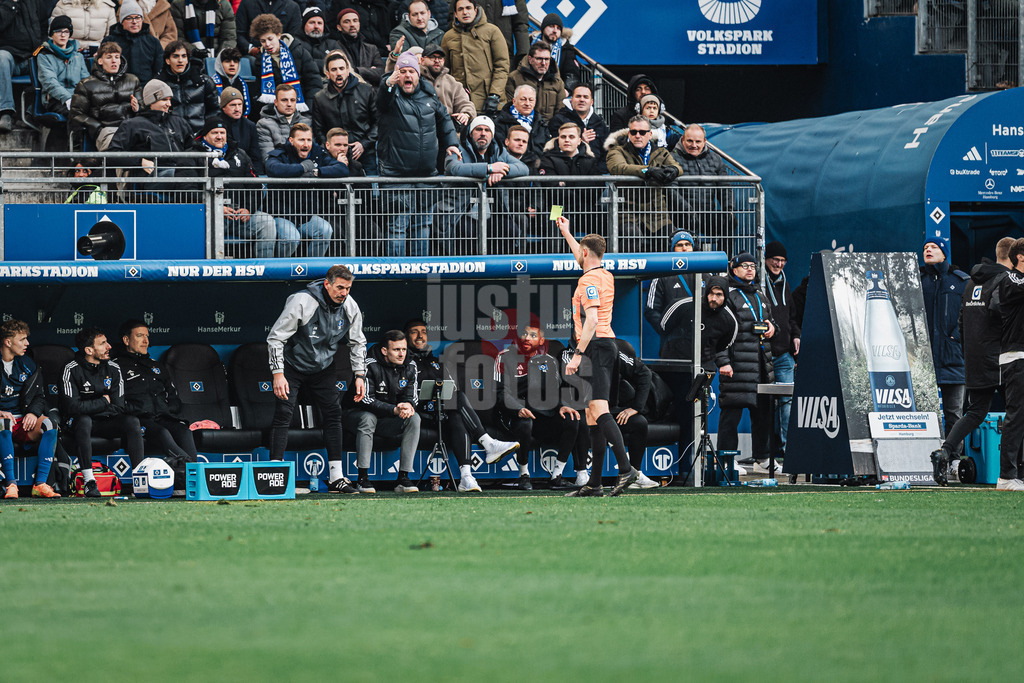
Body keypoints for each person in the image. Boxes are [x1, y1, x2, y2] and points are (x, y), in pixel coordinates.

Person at [557, 215, 639, 497]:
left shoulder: (588, 281)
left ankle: (626, 469)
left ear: (585, 253)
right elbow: (582, 256)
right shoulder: (604, 274)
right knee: (592, 415)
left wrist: (577, 354)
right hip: (605, 345)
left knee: (599, 411)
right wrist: (567, 233)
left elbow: (591, 320)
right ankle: (594, 484)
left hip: (596, 347)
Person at [267, 264, 367, 494]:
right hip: (292, 364)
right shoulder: (302, 301)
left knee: (333, 414)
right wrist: (278, 373)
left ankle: (336, 477)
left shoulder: (350, 306)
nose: (344, 293)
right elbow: (275, 338)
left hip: (323, 366)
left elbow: (358, 342)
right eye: (340, 287)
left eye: (348, 288)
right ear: (327, 284)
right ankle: (274, 474)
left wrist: (360, 375)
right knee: (284, 413)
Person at [932, 237, 1013, 485]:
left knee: (976, 412)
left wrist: (969, 353)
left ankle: (944, 451)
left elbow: (961, 321)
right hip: (1000, 358)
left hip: (974, 358)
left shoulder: (971, 283)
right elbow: (1003, 315)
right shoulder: (1005, 281)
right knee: (1016, 413)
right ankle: (1013, 472)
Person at [403, 319, 518, 492]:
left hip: (440, 411)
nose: (420, 336)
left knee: (456, 414)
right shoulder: (404, 361)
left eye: (424, 332)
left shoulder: (436, 361)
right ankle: (488, 443)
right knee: (458, 397)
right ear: (406, 336)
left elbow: (451, 387)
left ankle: (466, 477)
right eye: (414, 332)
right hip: (419, 413)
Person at [376, 51, 460, 256]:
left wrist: (451, 144)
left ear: (418, 74)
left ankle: (420, 269)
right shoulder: (391, 95)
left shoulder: (429, 96)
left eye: (411, 71)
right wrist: (388, 83)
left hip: (426, 175)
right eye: (403, 71)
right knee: (397, 227)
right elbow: (381, 101)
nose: (407, 75)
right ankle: (395, 269)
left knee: (422, 226)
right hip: (396, 176)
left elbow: (445, 120)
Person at [493, 323, 587, 491]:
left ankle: (557, 476)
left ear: (542, 341)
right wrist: (518, 409)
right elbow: (501, 393)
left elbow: (553, 393)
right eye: (524, 334)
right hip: (512, 414)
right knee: (525, 422)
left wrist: (562, 406)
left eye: (533, 335)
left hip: (541, 416)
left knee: (571, 418)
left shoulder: (549, 361)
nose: (527, 338)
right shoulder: (504, 357)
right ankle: (523, 475)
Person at [60, 327, 145, 496]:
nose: (109, 347)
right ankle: (89, 482)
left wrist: (90, 407)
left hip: (105, 421)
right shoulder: (71, 369)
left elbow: (118, 406)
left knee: (131, 421)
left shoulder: (113, 368)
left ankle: (140, 481)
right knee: (84, 420)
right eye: (103, 343)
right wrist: (103, 401)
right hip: (78, 424)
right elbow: (72, 407)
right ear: (89, 350)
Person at [717, 252, 778, 475]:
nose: (750, 269)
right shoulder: (728, 295)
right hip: (737, 366)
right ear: (734, 269)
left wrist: (772, 327)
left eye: (753, 265)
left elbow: (772, 323)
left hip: (761, 365)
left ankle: (762, 459)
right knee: (731, 415)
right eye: (745, 265)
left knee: (763, 415)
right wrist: (723, 361)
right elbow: (718, 332)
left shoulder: (760, 294)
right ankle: (727, 459)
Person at [116, 319, 197, 478]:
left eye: (147, 336)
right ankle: (195, 472)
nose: (145, 341)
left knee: (184, 431)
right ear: (126, 340)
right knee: (162, 432)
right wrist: (137, 410)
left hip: (162, 417)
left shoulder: (156, 366)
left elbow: (174, 398)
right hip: (139, 420)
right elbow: (116, 402)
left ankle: (192, 477)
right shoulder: (116, 367)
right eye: (140, 336)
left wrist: (166, 409)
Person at [344, 331, 421, 493]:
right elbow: (365, 400)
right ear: (385, 351)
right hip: (355, 415)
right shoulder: (368, 364)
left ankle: (403, 478)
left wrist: (408, 405)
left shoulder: (411, 365)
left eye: (404, 349)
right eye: (396, 350)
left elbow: (412, 396)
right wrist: (394, 409)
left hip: (387, 419)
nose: (401, 354)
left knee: (414, 418)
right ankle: (362, 478)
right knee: (368, 418)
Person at [442, 114, 528, 254]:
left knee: (510, 229)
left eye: (487, 130)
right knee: (465, 232)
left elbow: (523, 168)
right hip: (462, 212)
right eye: (478, 129)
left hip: (492, 213)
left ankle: (501, 266)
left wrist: (502, 171)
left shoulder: (499, 151)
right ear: (471, 133)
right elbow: (455, 168)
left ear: (492, 135)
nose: (483, 133)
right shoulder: (458, 148)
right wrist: (489, 168)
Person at [195, 118, 278, 257]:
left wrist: (248, 209)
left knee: (267, 222)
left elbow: (255, 186)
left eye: (222, 132)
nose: (219, 136)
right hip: (208, 216)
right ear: (204, 136)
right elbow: (187, 188)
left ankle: (263, 267)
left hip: (238, 215)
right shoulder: (194, 154)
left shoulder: (240, 154)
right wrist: (215, 207)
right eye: (214, 132)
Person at [265, 121, 347, 256]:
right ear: (291, 141)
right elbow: (272, 168)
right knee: (291, 237)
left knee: (325, 230)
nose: (306, 144)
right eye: (301, 140)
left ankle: (313, 267)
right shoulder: (281, 153)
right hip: (281, 214)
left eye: (308, 140)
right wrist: (302, 168)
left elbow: (342, 169)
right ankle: (280, 268)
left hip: (306, 215)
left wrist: (316, 172)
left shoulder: (317, 153)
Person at [0, 320, 60, 499]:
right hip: (3, 423)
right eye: (22, 339)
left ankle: (40, 484)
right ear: (8, 342)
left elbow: (39, 396)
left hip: (23, 421)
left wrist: (33, 413)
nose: (27, 343)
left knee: (50, 425)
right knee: (4, 423)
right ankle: (11, 484)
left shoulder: (28, 364)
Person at [605, 115, 684, 238]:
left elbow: (678, 167)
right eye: (633, 132)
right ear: (629, 134)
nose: (638, 136)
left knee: (669, 238)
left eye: (642, 132)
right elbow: (618, 168)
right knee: (632, 236)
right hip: (627, 211)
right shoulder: (617, 151)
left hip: (656, 211)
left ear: (650, 134)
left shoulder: (661, 152)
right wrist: (648, 171)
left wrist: (674, 170)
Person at [921, 238, 969, 440]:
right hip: (923, 361)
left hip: (954, 358)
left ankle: (953, 456)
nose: (928, 250)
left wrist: (956, 337)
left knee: (954, 415)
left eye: (934, 247)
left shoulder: (962, 281)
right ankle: (925, 455)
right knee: (923, 415)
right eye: (925, 247)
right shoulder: (916, 281)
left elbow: (971, 316)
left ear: (944, 253)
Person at [108, 78, 193, 178]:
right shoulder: (133, 124)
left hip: (181, 174)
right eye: (164, 99)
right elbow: (112, 155)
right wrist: (140, 161)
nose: (169, 104)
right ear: (151, 101)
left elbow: (193, 148)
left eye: (169, 99)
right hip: (150, 177)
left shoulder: (179, 122)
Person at [762, 241, 800, 462]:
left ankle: (789, 451)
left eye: (782, 261)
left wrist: (796, 335)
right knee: (764, 407)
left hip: (784, 354)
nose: (779, 264)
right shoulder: (758, 282)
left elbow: (791, 317)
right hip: (764, 354)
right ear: (766, 259)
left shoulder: (785, 283)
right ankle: (764, 454)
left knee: (787, 404)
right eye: (775, 260)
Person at [311, 50, 377, 173]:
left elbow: (378, 122)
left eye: (341, 68)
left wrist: (363, 144)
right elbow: (318, 131)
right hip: (333, 158)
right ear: (327, 74)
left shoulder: (366, 90)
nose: (338, 73)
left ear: (347, 70)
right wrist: (331, 150)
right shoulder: (320, 98)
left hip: (365, 153)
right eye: (334, 69)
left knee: (369, 185)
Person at [993, 238, 1024, 491]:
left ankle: (1018, 474)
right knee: (1016, 416)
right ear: (1020, 256)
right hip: (1016, 358)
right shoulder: (1010, 279)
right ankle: (1006, 477)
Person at [69, 41, 142, 150]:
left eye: (117, 57)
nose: (114, 61)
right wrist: (98, 128)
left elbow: (144, 108)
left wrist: (137, 108)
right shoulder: (86, 85)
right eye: (109, 57)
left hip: (131, 128)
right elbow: (76, 114)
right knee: (118, 146)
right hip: (107, 131)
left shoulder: (133, 80)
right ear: (100, 61)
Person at [610, 340, 662, 490]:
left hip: (608, 411)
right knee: (580, 422)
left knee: (639, 422)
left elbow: (644, 373)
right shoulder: (574, 356)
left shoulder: (614, 352)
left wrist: (635, 407)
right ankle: (582, 475)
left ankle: (635, 475)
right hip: (585, 410)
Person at [442, 0, 510, 113]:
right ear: (455, 14)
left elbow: (502, 66)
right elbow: (445, 71)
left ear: (475, 10)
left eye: (468, 8)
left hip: (489, 102)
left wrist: (494, 95)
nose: (465, 12)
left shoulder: (492, 31)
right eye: (460, 9)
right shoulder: (448, 37)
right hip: (461, 104)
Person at [250, 12, 322, 111]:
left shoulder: (299, 51)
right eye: (263, 41)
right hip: (275, 112)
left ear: (278, 35)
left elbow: (314, 83)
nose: (267, 44)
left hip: (302, 109)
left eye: (270, 39)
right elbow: (260, 92)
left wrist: (308, 110)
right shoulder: (260, 60)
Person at [671, 123, 734, 236]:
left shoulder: (715, 159)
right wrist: (687, 210)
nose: (694, 145)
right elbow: (671, 189)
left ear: (704, 141)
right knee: (689, 223)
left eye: (698, 141)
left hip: (707, 213)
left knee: (729, 221)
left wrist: (729, 210)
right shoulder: (671, 158)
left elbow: (725, 187)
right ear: (683, 139)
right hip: (681, 214)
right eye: (690, 141)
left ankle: (726, 249)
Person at [643, 230, 697, 361]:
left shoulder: (706, 273)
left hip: (701, 340)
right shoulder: (662, 275)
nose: (684, 248)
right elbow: (651, 310)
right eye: (680, 245)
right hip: (673, 344)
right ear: (673, 248)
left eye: (688, 244)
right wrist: (666, 330)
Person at [0, 0, 44, 133]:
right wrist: (11, 4)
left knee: (50, 59)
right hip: (10, 56)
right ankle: (5, 113)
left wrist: (43, 46)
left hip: (31, 55)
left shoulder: (33, 2)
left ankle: (32, 112)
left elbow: (43, 26)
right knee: (1, 57)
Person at [157, 40, 219, 134]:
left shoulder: (204, 82)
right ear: (168, 60)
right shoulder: (159, 84)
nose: (180, 60)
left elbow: (214, 110)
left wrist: (206, 131)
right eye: (175, 56)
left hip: (199, 135)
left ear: (187, 59)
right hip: (172, 135)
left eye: (184, 56)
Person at [36, 16, 91, 118]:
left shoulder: (77, 56)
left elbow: (86, 81)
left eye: (66, 31)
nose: (63, 35)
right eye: (58, 31)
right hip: (55, 99)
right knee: (77, 116)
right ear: (52, 34)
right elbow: (49, 82)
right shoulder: (44, 56)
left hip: (78, 98)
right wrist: (68, 98)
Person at [446, 0, 528, 67]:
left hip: (504, 53)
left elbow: (521, 25)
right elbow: (453, 21)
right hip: (470, 54)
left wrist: (523, 55)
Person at [103, 2, 166, 85]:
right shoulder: (110, 41)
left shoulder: (153, 41)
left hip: (147, 86)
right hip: (118, 86)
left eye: (137, 17)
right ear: (122, 21)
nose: (134, 22)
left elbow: (159, 68)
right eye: (129, 18)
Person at [416, 43, 475, 131]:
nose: (437, 61)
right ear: (422, 60)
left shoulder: (452, 81)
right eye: (432, 57)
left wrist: (466, 114)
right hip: (421, 128)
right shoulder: (415, 78)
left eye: (440, 58)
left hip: (447, 129)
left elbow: (465, 103)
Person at [493, 83, 549, 169]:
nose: (527, 103)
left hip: (537, 168)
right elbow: (499, 149)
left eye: (531, 100)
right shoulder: (500, 122)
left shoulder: (541, 123)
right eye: (523, 99)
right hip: (509, 167)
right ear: (514, 101)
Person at [547, 82, 609, 160]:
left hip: (596, 166)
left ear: (591, 102)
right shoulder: (558, 120)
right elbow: (555, 151)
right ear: (571, 99)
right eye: (578, 96)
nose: (582, 100)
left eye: (585, 97)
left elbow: (606, 153)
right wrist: (581, 142)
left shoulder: (599, 123)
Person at [505, 41, 562, 122]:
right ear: (530, 59)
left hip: (549, 127)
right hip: (520, 125)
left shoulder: (557, 81)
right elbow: (508, 109)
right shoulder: (514, 78)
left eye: (547, 59)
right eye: (539, 59)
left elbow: (560, 112)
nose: (543, 63)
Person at [213, 86, 263, 173]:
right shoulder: (215, 125)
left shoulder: (250, 126)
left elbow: (256, 157)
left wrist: (256, 176)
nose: (237, 109)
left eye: (240, 104)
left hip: (246, 172)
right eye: (233, 105)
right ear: (223, 107)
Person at [256, 83, 311, 161]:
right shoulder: (264, 124)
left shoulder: (306, 122)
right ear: (276, 102)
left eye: (292, 100)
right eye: (284, 100)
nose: (289, 104)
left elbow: (314, 154)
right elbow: (268, 159)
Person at [333, 7, 384, 86]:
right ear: (339, 27)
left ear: (359, 24)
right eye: (347, 22)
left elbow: (381, 73)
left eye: (355, 21)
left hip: (370, 90)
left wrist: (357, 70)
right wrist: (369, 71)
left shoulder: (371, 48)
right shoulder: (334, 48)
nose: (352, 24)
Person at [169, 0, 236, 57]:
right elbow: (179, 37)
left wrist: (221, 57)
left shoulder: (223, 5)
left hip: (218, 55)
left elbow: (229, 38)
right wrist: (193, 51)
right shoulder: (178, 5)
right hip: (189, 55)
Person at [236, 0, 302, 57]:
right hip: (254, 54)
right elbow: (239, 33)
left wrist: (280, 49)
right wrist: (251, 49)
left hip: (284, 53)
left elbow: (295, 35)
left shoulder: (292, 6)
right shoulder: (247, 3)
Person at [529, 12, 578, 90]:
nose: (555, 31)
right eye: (551, 26)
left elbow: (571, 74)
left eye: (558, 28)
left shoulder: (566, 48)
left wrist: (566, 90)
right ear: (543, 28)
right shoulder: (530, 43)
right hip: (530, 88)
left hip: (555, 90)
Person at [49, 0, 118, 52]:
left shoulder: (107, 7)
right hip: (69, 52)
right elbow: (54, 35)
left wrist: (102, 53)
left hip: (99, 54)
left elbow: (111, 38)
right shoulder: (63, 5)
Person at [293, 6, 341, 73]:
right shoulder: (295, 44)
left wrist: (309, 62)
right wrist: (326, 63)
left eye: (319, 23)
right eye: (312, 22)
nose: (316, 26)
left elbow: (340, 65)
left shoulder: (333, 45)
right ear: (304, 25)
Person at [210, 47, 253, 118]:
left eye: (235, 61)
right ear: (220, 64)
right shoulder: (211, 83)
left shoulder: (243, 84)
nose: (232, 64)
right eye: (227, 61)